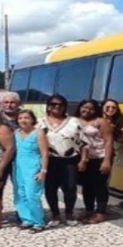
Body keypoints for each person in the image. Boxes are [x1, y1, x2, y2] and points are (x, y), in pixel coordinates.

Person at [37, 94, 88, 227]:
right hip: (50, 160)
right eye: (54, 104)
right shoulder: (39, 123)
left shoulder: (75, 122)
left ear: (65, 106)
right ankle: (55, 215)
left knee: (70, 187)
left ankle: (69, 213)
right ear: (48, 106)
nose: (57, 107)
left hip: (70, 160)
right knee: (50, 188)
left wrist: (83, 160)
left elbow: (83, 143)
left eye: (60, 104)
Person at [76, 99, 114, 224]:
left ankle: (101, 212)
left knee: (100, 186)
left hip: (100, 157)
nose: (87, 110)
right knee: (87, 186)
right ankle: (89, 211)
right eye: (84, 107)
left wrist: (107, 160)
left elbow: (108, 141)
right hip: (84, 159)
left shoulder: (101, 122)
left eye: (91, 108)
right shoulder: (74, 121)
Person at [13, 110, 48, 233]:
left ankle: (38, 222)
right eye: (20, 117)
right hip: (18, 166)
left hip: (33, 166)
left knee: (32, 194)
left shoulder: (38, 133)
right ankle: (27, 219)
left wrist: (43, 171)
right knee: (20, 194)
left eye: (26, 118)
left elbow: (44, 154)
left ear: (33, 119)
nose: (23, 120)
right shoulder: (16, 132)